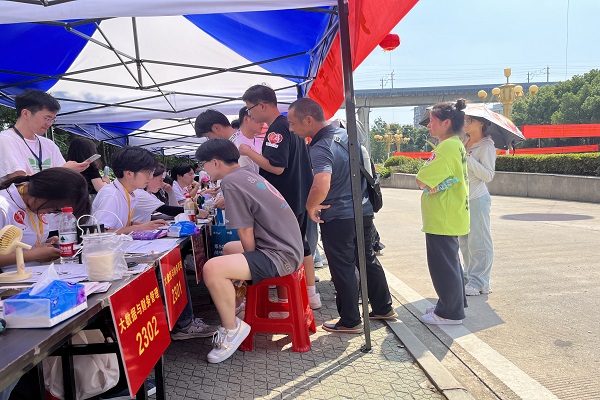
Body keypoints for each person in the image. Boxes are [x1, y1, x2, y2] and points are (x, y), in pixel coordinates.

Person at [287, 98, 395, 333]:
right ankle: (383, 307)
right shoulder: (345, 135)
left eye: (293, 123)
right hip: (363, 210)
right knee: (367, 259)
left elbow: (321, 182)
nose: (291, 129)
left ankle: (350, 320)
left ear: (308, 120)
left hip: (338, 215)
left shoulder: (321, 146)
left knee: (342, 266)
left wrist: (310, 206)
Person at [195, 139, 304, 363]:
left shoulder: (230, 182)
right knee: (228, 249)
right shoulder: (246, 174)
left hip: (279, 255)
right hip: (288, 248)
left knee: (212, 269)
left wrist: (249, 260)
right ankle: (235, 306)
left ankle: (232, 329)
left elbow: (245, 230)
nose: (203, 170)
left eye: (203, 164)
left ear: (215, 162)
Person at [240, 84, 320, 309]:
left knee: (283, 250)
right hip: (299, 197)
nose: (250, 114)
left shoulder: (277, 129)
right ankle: (310, 295)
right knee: (301, 246)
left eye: (250, 108)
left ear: (262, 105)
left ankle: (287, 300)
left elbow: (276, 167)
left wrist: (248, 152)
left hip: (285, 201)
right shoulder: (290, 125)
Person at [415, 99, 470, 325]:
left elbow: (422, 179)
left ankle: (449, 313)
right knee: (451, 263)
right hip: (451, 212)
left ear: (446, 123)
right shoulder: (456, 144)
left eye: (433, 121)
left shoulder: (446, 147)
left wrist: (424, 178)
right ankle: (451, 304)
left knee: (443, 266)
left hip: (443, 215)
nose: (429, 125)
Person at [0, 168, 89, 268]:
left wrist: (46, 245)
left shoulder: (34, 203)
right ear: (44, 192)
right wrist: (32, 255)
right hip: (10, 276)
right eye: (54, 207)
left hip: (35, 273)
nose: (51, 212)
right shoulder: (3, 206)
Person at [0, 90, 89, 182]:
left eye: (53, 120)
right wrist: (63, 171)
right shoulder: (5, 140)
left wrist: (68, 172)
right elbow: (19, 180)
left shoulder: (49, 145)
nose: (49, 124)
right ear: (25, 114)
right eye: (47, 118)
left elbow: (61, 180)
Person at [460, 114, 497, 296]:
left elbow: (488, 175)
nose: (466, 123)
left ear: (481, 123)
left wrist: (469, 160)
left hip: (478, 198)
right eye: (465, 119)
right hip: (463, 199)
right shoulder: (464, 141)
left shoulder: (487, 145)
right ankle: (470, 277)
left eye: (471, 120)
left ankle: (481, 282)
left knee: (479, 241)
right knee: (465, 242)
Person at [92, 147, 166, 233]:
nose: (151, 177)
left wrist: (146, 225)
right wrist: (139, 228)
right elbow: (99, 232)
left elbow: (120, 223)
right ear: (129, 173)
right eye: (148, 173)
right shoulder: (111, 195)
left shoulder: (124, 192)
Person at [194, 108, 257, 173]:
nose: (209, 140)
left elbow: (245, 175)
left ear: (216, 128)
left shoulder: (238, 145)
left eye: (207, 136)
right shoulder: (237, 141)